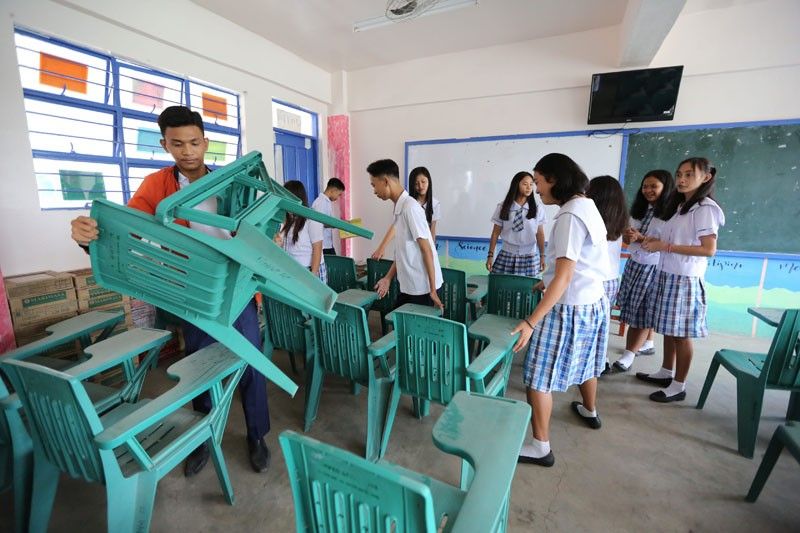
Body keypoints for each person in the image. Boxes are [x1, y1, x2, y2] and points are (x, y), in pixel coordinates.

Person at [70, 105, 271, 475]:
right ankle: (202, 435)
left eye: (195, 142)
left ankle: (256, 435)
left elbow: (260, 230)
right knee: (198, 367)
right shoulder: (157, 186)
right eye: (178, 144)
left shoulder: (232, 182)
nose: (188, 151)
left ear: (206, 142)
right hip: (192, 292)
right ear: (165, 145)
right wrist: (88, 237)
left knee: (250, 365)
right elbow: (124, 227)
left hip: (239, 290)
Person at [511, 154, 610, 467]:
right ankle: (590, 410)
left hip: (569, 308)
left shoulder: (568, 216)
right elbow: (578, 265)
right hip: (592, 301)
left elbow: (566, 275)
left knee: (537, 377)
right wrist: (549, 280)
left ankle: (540, 446)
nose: (537, 189)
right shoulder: (587, 205)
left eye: (539, 181)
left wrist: (530, 321)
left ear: (554, 179)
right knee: (587, 363)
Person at [636, 157, 725, 403]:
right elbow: (668, 241)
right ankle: (666, 372)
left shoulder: (705, 208)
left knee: (681, 334)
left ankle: (679, 385)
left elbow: (709, 249)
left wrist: (666, 246)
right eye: (679, 175)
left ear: (705, 177)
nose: (682, 180)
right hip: (668, 273)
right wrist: (652, 243)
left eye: (689, 174)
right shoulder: (681, 206)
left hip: (685, 279)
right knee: (669, 329)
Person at [611, 170, 674, 371]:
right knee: (631, 307)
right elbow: (629, 238)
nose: (648, 190)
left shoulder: (672, 214)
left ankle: (629, 354)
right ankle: (642, 345)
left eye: (653, 186)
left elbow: (667, 243)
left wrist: (640, 238)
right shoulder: (641, 209)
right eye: (645, 186)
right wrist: (628, 234)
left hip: (654, 267)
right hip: (635, 263)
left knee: (642, 312)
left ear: (665, 188)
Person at [367, 159, 444, 310]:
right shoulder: (399, 207)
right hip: (409, 284)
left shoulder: (410, 208)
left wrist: (433, 291)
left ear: (385, 181)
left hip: (423, 288)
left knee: (415, 331)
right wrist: (388, 278)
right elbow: (404, 251)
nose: (374, 191)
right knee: (400, 325)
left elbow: (427, 249)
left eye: (374, 185)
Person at [585, 175, 628, 372]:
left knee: (588, 325)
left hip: (593, 279)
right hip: (611, 280)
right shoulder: (620, 220)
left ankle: (592, 361)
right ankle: (602, 359)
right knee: (602, 324)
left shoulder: (592, 220)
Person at [371, 167, 440, 259]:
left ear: (429, 182)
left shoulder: (435, 204)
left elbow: (432, 230)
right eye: (416, 183)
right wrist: (382, 247)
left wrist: (431, 252)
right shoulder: (408, 203)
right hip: (408, 249)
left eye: (423, 182)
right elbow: (395, 226)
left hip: (424, 248)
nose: (420, 186)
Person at [486, 171, 547, 277]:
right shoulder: (503, 207)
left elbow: (540, 234)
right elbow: (495, 233)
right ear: (516, 185)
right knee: (503, 288)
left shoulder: (537, 208)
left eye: (531, 184)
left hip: (530, 256)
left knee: (528, 290)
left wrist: (542, 255)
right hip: (506, 255)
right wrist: (490, 255)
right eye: (525, 184)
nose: (529, 187)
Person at [282, 180, 327, 282]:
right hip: (293, 269)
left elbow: (317, 249)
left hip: (310, 270)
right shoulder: (288, 218)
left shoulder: (311, 218)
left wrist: (313, 275)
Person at [311, 178, 345, 255]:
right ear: (333, 190)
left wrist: (342, 222)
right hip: (323, 245)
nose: (338, 197)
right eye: (339, 194)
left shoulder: (326, 202)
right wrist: (339, 224)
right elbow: (321, 222)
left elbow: (327, 220)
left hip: (327, 244)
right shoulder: (320, 203)